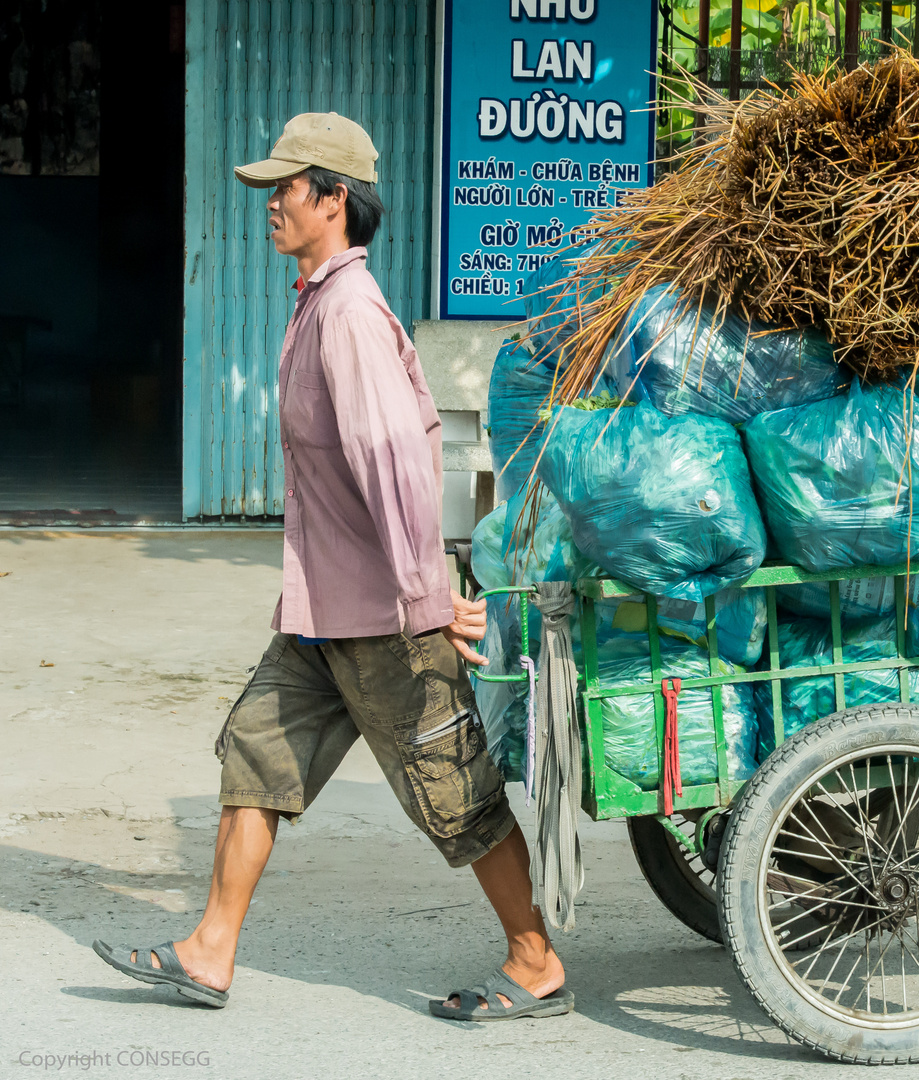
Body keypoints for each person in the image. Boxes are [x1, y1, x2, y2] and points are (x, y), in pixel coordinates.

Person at [94, 113, 568, 1022]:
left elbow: (393, 462)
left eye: (287, 187)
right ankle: (209, 951)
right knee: (254, 755)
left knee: (453, 792)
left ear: (334, 200)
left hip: (386, 614)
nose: (271, 203)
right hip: (321, 611)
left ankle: (535, 958)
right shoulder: (317, 301)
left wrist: (429, 599)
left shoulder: (350, 316)